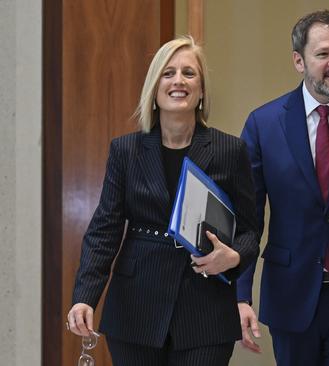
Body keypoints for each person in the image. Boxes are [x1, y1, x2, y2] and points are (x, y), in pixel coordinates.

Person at [66, 36, 260, 366]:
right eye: (168, 73)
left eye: (189, 73)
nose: (178, 81)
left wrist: (234, 256)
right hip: (135, 308)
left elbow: (250, 230)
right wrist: (85, 297)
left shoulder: (230, 151)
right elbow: (105, 230)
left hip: (206, 310)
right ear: (154, 88)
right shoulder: (125, 151)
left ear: (201, 91)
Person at [235, 10, 329, 366]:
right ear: (298, 61)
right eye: (324, 54)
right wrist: (241, 294)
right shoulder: (264, 124)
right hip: (292, 295)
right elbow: (247, 217)